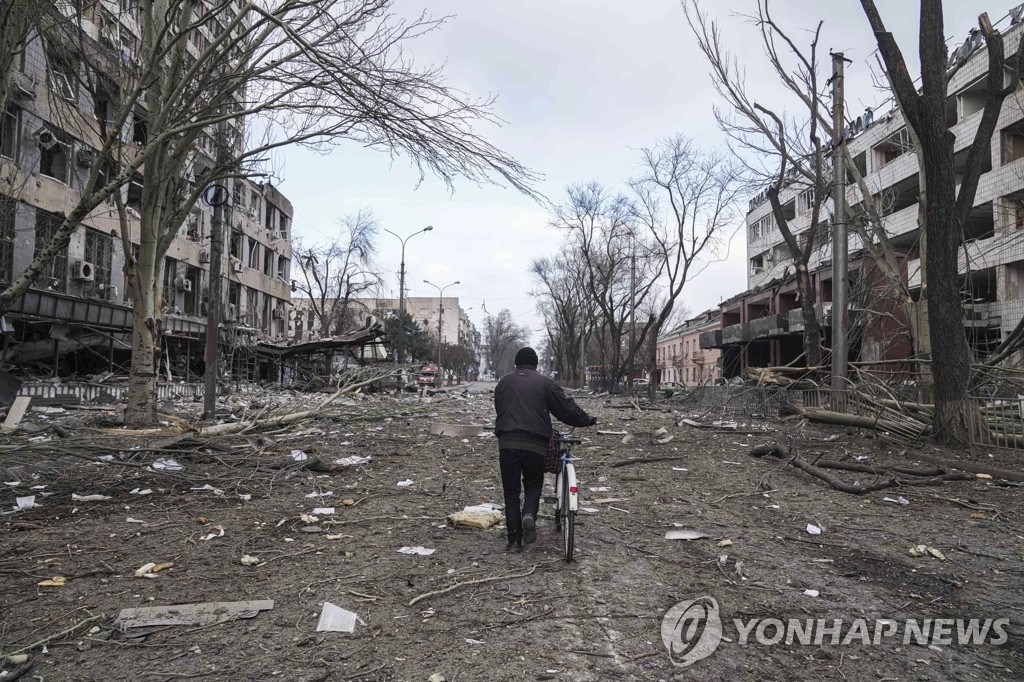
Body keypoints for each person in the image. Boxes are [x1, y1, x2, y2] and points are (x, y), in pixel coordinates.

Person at [494, 347, 597, 552]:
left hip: (507, 443)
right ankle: (529, 514)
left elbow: (500, 408)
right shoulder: (545, 383)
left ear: (516, 363)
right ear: (536, 364)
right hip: (535, 444)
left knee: (511, 490)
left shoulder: (503, 382)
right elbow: (565, 410)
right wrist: (587, 420)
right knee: (533, 483)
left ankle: (514, 540)